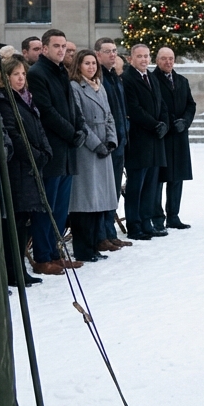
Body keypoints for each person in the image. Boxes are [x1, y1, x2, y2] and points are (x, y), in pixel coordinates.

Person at [26, 29, 84, 272]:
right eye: (56, 46)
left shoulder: (62, 71)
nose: (61, 50)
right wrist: (72, 133)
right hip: (52, 149)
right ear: (45, 48)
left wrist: (81, 128)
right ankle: (42, 257)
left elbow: (73, 106)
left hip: (67, 151)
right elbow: (46, 111)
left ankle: (55, 251)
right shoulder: (38, 73)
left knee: (60, 208)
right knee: (47, 207)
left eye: (63, 46)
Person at [0, 56, 55, 279]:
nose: (21, 78)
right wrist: (33, 155)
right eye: (15, 74)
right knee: (17, 220)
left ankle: (19, 269)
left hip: (32, 166)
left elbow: (38, 128)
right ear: (6, 77)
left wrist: (46, 151)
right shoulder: (6, 101)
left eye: (23, 74)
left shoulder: (27, 99)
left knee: (24, 220)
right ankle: (15, 271)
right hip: (19, 168)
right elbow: (14, 134)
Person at [68, 50, 120, 262]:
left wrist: (110, 140)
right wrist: (96, 144)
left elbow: (109, 116)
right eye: (86, 63)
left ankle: (95, 244)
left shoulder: (100, 87)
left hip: (103, 149)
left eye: (93, 63)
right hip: (86, 150)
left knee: (100, 201)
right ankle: (83, 248)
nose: (90, 67)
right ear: (78, 65)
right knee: (85, 202)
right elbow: (78, 119)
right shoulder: (74, 87)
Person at [122, 44, 170, 240]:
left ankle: (146, 221)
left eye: (146, 56)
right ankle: (134, 225)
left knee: (151, 185)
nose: (144, 59)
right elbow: (133, 108)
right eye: (139, 56)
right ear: (131, 59)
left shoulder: (151, 77)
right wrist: (154, 124)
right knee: (136, 187)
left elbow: (162, 103)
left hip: (155, 141)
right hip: (139, 141)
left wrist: (164, 124)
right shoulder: (127, 79)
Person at [95, 38, 131, 250]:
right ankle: (101, 235)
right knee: (105, 191)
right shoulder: (99, 77)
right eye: (107, 51)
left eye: (114, 51)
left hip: (120, 141)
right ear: (98, 54)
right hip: (107, 143)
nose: (112, 55)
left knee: (114, 190)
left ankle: (110, 231)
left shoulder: (115, 77)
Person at [155, 47, 197, 229]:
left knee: (176, 178)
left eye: (171, 58)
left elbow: (190, 104)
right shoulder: (152, 80)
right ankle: (157, 217)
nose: (168, 62)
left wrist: (185, 122)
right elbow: (158, 105)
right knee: (159, 179)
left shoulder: (182, 80)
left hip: (179, 136)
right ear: (157, 60)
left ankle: (173, 215)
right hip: (162, 135)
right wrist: (171, 122)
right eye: (164, 58)